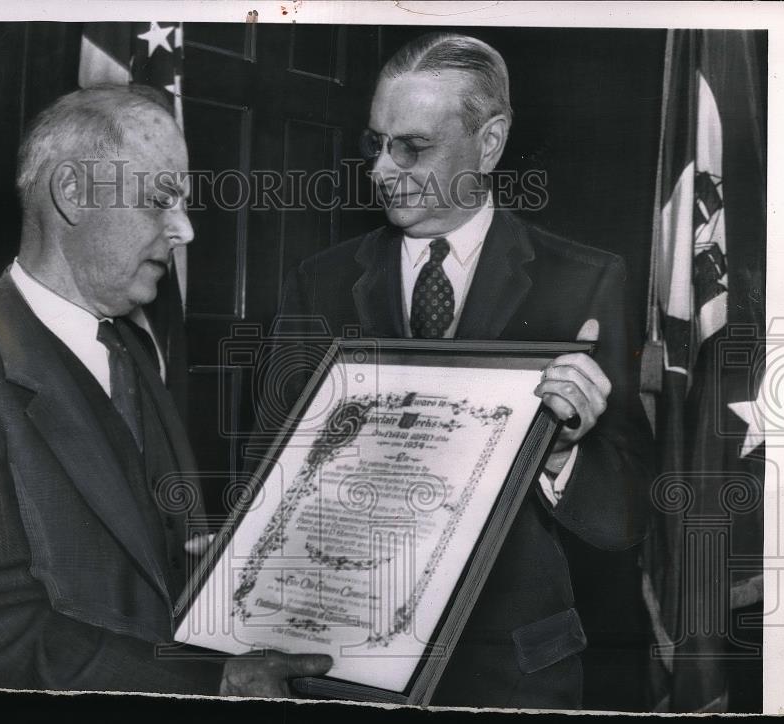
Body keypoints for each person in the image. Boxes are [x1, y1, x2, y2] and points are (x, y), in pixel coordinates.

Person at [0, 85, 331, 695]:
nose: (186, 230)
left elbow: (152, 553)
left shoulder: (133, 348)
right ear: (72, 193)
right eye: (161, 199)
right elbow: (0, 644)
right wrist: (217, 681)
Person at [270, 33, 653, 708]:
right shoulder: (318, 284)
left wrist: (563, 452)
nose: (383, 169)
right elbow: (274, 468)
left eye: (411, 146)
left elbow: (623, 518)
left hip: (514, 675)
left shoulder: (585, 282)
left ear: (491, 142)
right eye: (376, 143)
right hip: (348, 671)